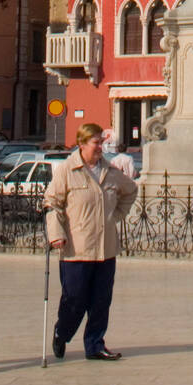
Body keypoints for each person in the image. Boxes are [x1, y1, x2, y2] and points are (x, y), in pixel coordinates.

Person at [44, 123, 138, 360]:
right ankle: (62, 332)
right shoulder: (67, 170)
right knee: (74, 299)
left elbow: (131, 190)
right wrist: (56, 233)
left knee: (100, 301)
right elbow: (51, 204)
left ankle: (95, 344)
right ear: (82, 144)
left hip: (105, 249)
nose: (100, 147)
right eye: (96, 143)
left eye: (102, 142)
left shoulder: (111, 171)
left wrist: (115, 216)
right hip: (76, 249)